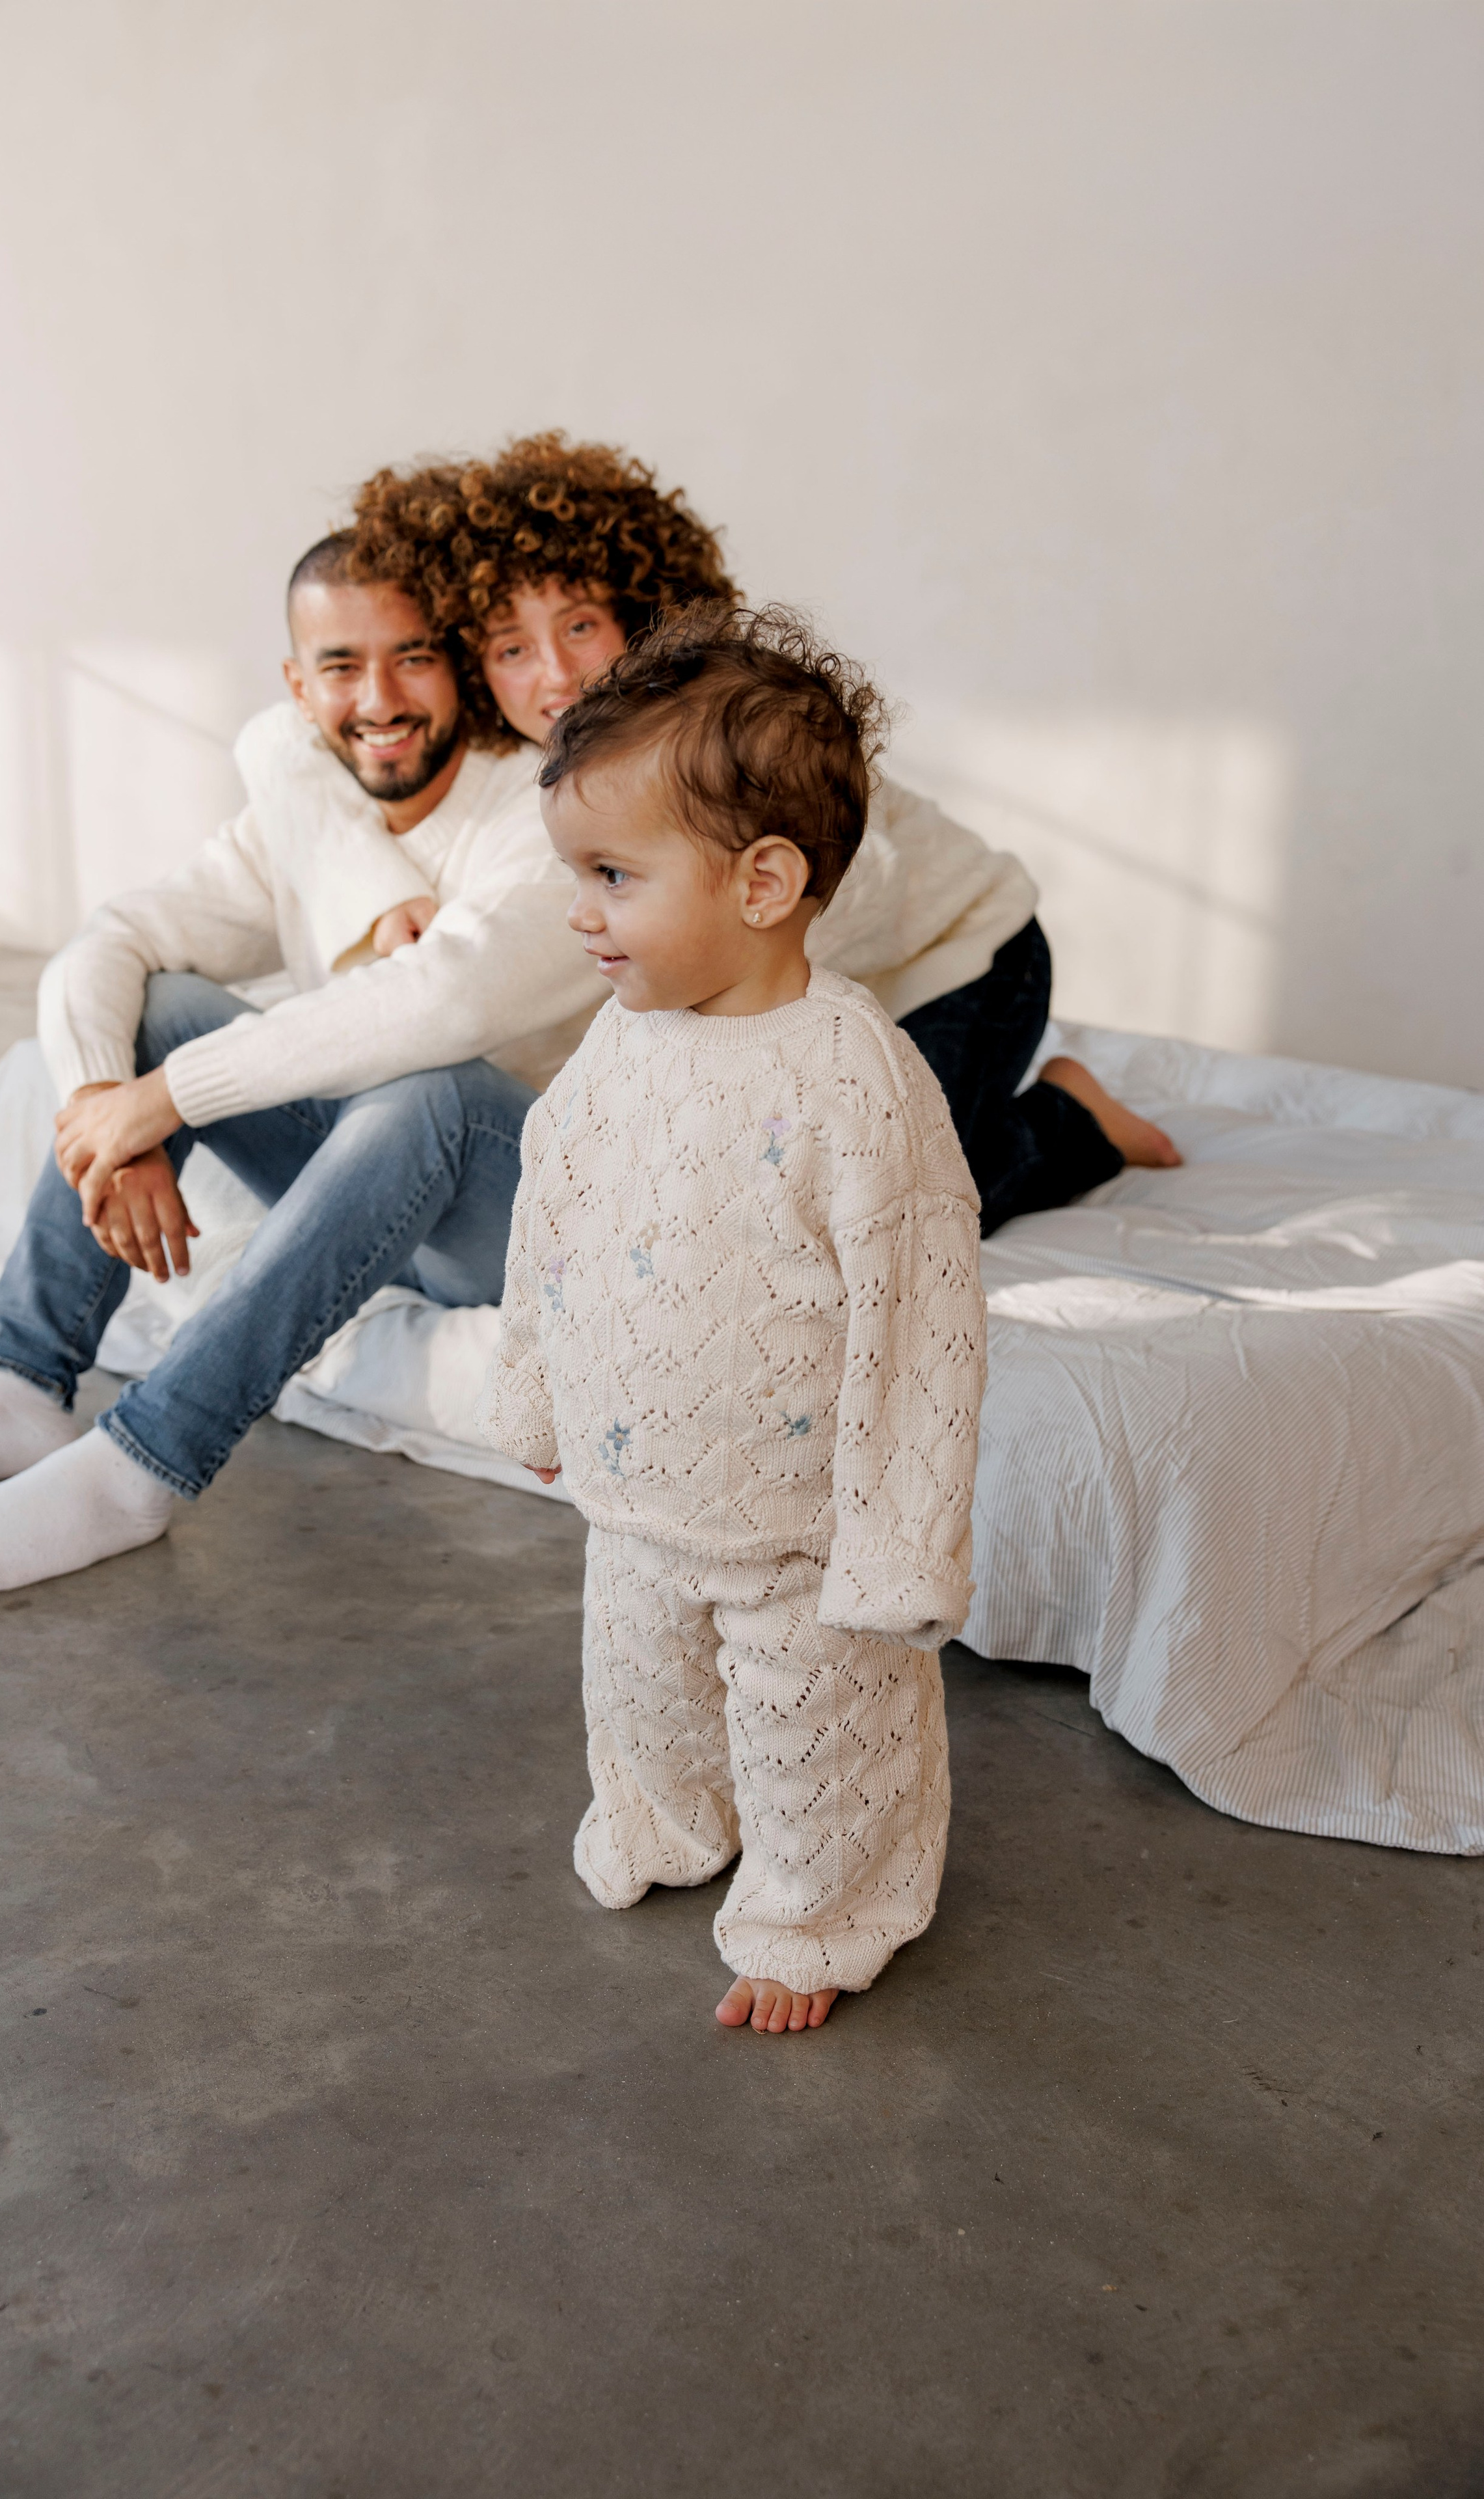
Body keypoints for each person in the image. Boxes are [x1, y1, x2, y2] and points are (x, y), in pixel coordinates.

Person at [0, 534, 604, 1587]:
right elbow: (107, 941)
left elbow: (444, 1001)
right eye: (340, 666)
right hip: (374, 1193)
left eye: (412, 657)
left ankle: (144, 1464)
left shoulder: (541, 806)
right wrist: (110, 1106)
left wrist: (165, 1100)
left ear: (458, 663)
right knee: (164, 1003)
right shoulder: (302, 818)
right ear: (296, 687)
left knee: (437, 1095)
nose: (378, 697)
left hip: (530, 1212)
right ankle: (20, 1380)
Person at [478, 605, 988, 2035]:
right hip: (637, 1496)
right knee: (641, 1696)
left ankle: (816, 1912)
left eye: (612, 876)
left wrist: (899, 1538)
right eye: (574, 872)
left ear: (763, 881)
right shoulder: (618, 1039)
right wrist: (532, 1393)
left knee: (819, 1733)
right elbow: (551, 1217)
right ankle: (665, 1821)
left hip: (800, 1535)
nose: (580, 912)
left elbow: (922, 1327)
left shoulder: (856, 1080)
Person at [325, 431, 1180, 1223]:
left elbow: (844, 907)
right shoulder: (558, 775)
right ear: (478, 673)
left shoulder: (719, 731)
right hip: (842, 1002)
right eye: (510, 648)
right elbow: (282, 745)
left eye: (580, 625)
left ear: (638, 608)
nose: (554, 674)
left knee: (869, 1225)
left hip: (963, 961)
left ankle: (1074, 1122)